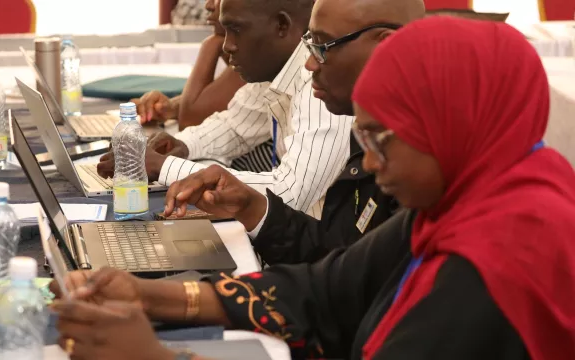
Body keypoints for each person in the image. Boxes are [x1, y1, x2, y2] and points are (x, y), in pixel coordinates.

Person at [53, 16, 575, 360]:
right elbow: (329, 288)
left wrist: (157, 357)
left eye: (380, 138)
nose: (367, 160)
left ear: (453, 123)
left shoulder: (497, 259)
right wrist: (149, 295)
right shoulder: (465, 199)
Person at [160, 0, 426, 264]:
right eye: (309, 42)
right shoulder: (354, 113)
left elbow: (349, 276)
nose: (309, 63)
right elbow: (339, 257)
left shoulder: (329, 99)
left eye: (322, 46)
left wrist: (164, 167)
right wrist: (252, 207)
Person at [98, 0, 355, 219]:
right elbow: (233, 127)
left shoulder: (318, 81)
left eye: (236, 30)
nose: (227, 45)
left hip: (320, 256)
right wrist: (179, 145)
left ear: (282, 26)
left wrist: (163, 166)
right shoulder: (276, 70)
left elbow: (289, 193)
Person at [134, 0, 275, 173]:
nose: (208, 5)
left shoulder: (262, 58)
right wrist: (172, 108)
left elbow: (190, 119)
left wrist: (211, 45)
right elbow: (235, 121)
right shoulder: (260, 62)